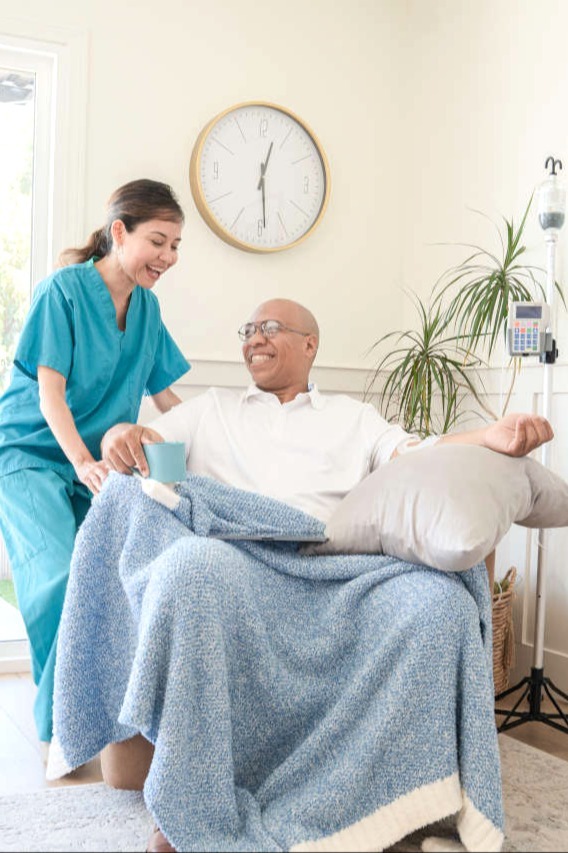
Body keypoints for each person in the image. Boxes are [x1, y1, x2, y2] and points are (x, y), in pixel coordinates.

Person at [100, 297, 552, 853]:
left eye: (270, 328)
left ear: (310, 345)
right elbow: (138, 442)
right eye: (248, 330)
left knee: (440, 604)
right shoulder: (209, 408)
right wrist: (119, 434)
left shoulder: (353, 417)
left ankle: (406, 802)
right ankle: (190, 807)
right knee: (191, 568)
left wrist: (491, 437)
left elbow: (416, 452)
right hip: (237, 561)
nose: (253, 339)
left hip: (334, 569)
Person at [0, 178, 190, 746]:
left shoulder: (148, 310)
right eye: (158, 241)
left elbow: (170, 404)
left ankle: (102, 720)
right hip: (31, 455)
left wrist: (222, 434)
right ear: (118, 232)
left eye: (177, 246)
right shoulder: (62, 291)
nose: (168, 257)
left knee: (110, 581)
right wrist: (82, 462)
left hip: (102, 466)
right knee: (57, 579)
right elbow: (49, 395)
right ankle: (63, 727)